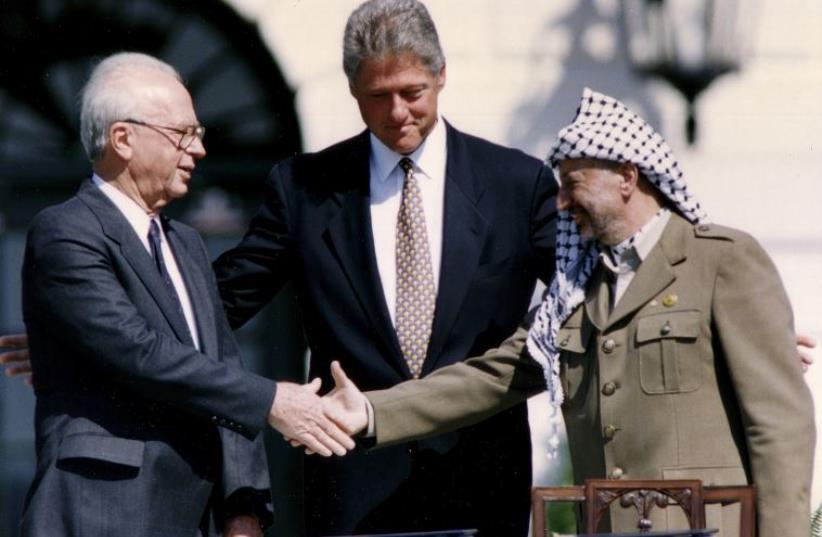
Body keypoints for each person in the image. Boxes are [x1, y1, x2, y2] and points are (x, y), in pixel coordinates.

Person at [322, 88, 816, 537]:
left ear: (627, 177)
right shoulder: (576, 293)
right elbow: (492, 377)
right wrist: (370, 409)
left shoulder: (721, 261)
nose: (560, 203)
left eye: (572, 183)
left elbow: (779, 425)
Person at [17, 52, 353, 537]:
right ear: (123, 139)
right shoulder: (65, 231)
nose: (197, 150)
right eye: (183, 134)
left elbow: (221, 366)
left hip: (192, 518)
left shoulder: (187, 244)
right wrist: (272, 400)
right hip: (100, 512)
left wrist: (244, 506)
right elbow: (138, 348)